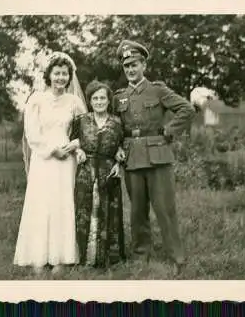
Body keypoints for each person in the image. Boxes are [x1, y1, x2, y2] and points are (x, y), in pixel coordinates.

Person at [112, 40, 195, 275]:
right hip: (132, 158)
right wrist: (117, 148)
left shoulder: (158, 90)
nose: (130, 70)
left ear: (143, 64)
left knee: (165, 209)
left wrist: (169, 131)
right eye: (126, 66)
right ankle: (141, 255)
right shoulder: (119, 97)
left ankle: (176, 256)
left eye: (134, 64)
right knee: (137, 210)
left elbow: (187, 109)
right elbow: (115, 126)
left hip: (158, 156)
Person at [14, 52, 87, 273]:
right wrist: (51, 150)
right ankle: (38, 256)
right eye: (57, 73)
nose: (61, 78)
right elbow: (31, 133)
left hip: (66, 160)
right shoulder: (36, 99)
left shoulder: (74, 102)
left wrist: (73, 146)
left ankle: (61, 258)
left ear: (69, 76)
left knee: (62, 204)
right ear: (49, 75)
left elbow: (86, 130)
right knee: (41, 204)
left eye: (65, 74)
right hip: (44, 158)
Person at [70, 80, 126, 268]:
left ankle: (109, 258)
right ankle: (85, 257)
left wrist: (120, 162)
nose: (99, 101)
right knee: (85, 212)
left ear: (109, 100)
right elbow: (73, 141)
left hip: (109, 172)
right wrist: (78, 151)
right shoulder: (81, 120)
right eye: (95, 98)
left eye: (103, 98)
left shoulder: (117, 122)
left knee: (109, 212)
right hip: (86, 171)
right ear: (90, 100)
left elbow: (123, 145)